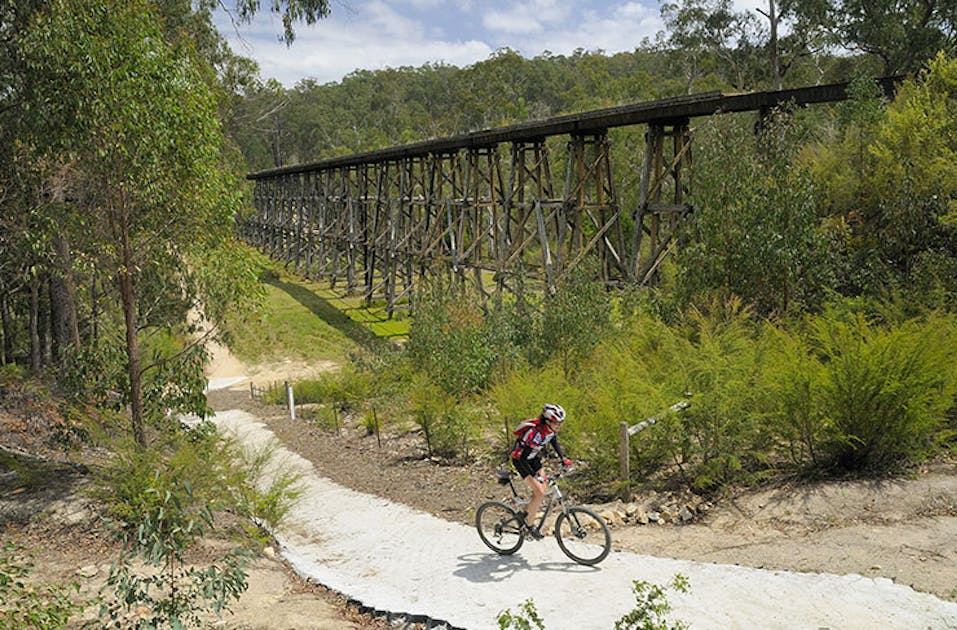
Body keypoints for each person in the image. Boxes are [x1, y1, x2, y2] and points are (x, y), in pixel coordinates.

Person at [509, 403, 573, 539]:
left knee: (542, 489)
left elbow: (553, 439)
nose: (559, 426)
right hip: (521, 460)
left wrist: (563, 458)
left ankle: (525, 514)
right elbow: (523, 458)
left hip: (533, 458)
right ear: (548, 421)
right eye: (556, 423)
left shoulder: (550, 429)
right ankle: (530, 526)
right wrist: (533, 476)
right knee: (539, 492)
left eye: (561, 423)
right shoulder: (536, 434)